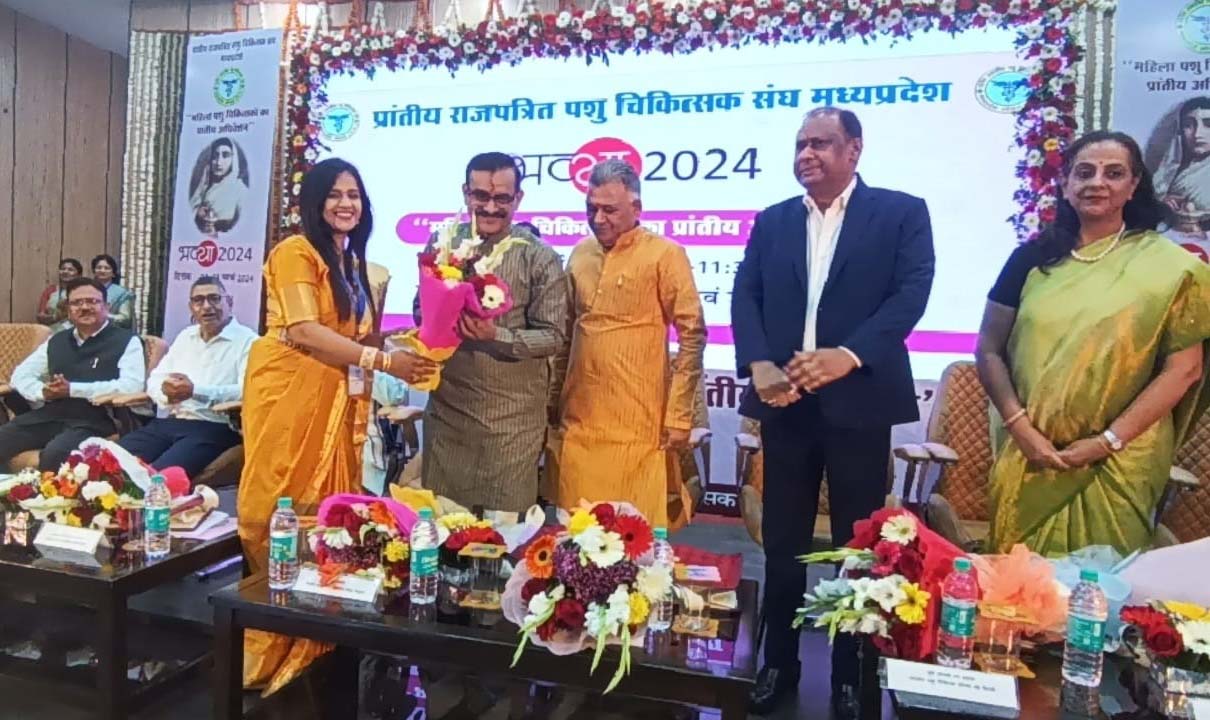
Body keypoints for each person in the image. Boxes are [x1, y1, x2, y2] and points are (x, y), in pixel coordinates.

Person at [731, 107, 934, 717]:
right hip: (786, 402)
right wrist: (758, 363)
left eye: (820, 143)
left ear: (854, 150)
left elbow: (910, 295)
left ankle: (852, 676)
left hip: (859, 402)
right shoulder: (773, 220)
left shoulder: (900, 212)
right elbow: (746, 293)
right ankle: (778, 664)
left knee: (856, 547)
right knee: (784, 544)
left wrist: (848, 355)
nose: (806, 154)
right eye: (800, 144)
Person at [238, 158, 436, 694]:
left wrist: (418, 340)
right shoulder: (295, 252)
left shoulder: (351, 261)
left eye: (354, 195)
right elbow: (305, 330)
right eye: (335, 194)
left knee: (328, 512)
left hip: (333, 398)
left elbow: (355, 339)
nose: (347, 204)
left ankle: (314, 632)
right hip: (288, 392)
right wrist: (384, 362)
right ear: (315, 202)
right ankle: (269, 639)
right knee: (272, 507)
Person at [978, 130, 1210, 557]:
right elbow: (989, 349)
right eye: (1084, 172)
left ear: (1134, 185)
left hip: (1120, 461)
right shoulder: (1031, 260)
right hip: (1032, 456)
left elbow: (1185, 369)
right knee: (1019, 584)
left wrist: (1107, 441)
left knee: (1105, 586)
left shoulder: (1173, 270)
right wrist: (1021, 429)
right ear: (1065, 184)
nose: (1097, 183)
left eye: (1113, 173)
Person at [555, 159, 706, 529]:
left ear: (637, 208)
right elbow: (565, 334)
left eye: (610, 210)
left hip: (639, 422)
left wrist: (679, 414)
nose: (598, 218)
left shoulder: (664, 254)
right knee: (575, 532)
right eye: (591, 208)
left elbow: (692, 333)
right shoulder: (580, 253)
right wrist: (552, 400)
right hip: (580, 419)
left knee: (633, 536)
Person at [418, 152, 568, 514]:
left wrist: (495, 335)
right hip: (449, 416)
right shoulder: (443, 245)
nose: (489, 207)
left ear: (518, 199)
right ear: (465, 193)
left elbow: (553, 336)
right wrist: (438, 319)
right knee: (442, 528)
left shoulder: (539, 257)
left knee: (503, 535)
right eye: (480, 196)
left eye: (501, 198)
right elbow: (420, 308)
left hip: (510, 426)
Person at [116, 277, 256, 478]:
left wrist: (195, 392)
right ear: (191, 307)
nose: (206, 306)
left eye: (214, 298)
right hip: (171, 422)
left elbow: (247, 390)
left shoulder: (248, 341)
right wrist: (166, 392)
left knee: (158, 478)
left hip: (215, 426)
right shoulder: (186, 337)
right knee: (111, 462)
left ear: (229, 302)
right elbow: (155, 379)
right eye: (198, 300)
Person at [0, 278, 144, 471]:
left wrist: (73, 390)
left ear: (106, 306)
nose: (84, 307)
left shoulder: (127, 341)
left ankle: (46, 492)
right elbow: (21, 375)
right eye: (77, 303)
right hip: (52, 413)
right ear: (68, 309)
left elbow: (131, 386)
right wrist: (43, 392)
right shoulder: (57, 340)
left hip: (97, 418)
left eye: (92, 301)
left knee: (55, 454)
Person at [1153, 97, 1210, 233]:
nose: (1197, 134)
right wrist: (1164, 205)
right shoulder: (1171, 171)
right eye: (1188, 125)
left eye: (1208, 124)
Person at [190, 137, 248, 234]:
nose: (218, 162)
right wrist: (198, 212)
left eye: (225, 155)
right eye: (215, 156)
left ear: (233, 160)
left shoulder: (240, 189)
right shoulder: (205, 185)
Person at [91, 254, 135, 329]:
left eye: (107, 268)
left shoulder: (122, 293)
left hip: (111, 331)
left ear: (113, 273)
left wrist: (104, 316)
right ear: (94, 271)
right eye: (99, 268)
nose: (102, 271)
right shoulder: (86, 290)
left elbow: (125, 318)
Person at [36, 258, 83, 327]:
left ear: (79, 274)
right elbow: (41, 315)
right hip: (52, 329)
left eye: (70, 270)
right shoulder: (50, 290)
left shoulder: (83, 291)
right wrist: (54, 317)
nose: (65, 272)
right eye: (63, 269)